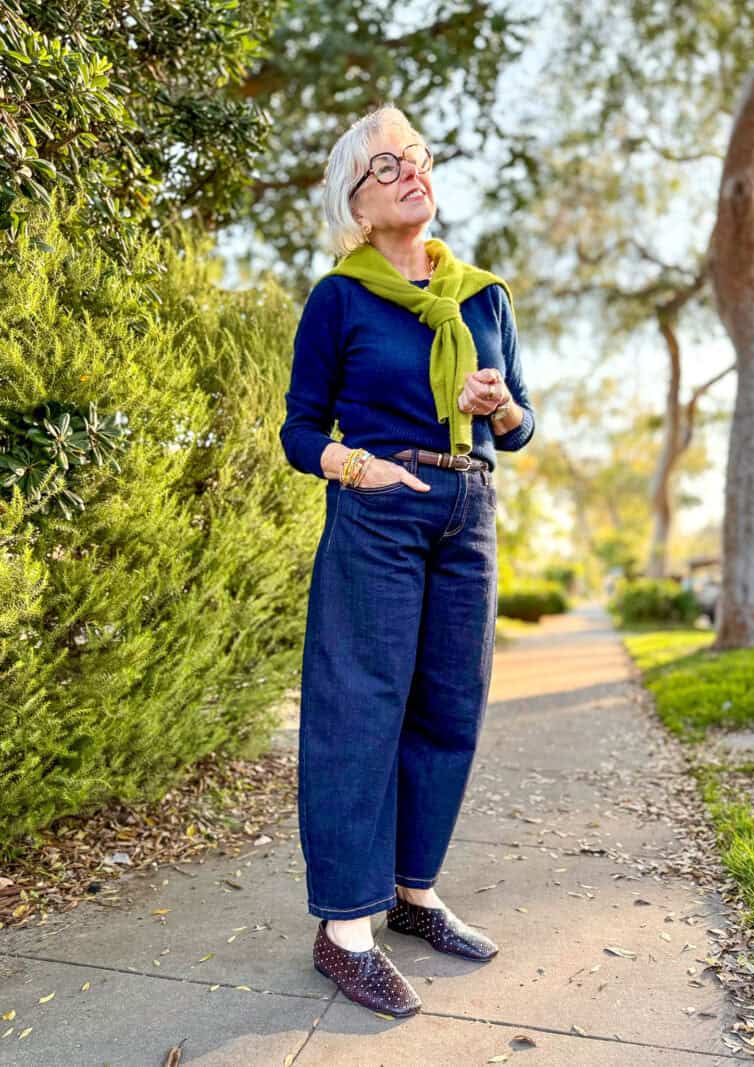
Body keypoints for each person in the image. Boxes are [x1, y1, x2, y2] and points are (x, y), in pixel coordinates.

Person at [279, 105, 535, 1018]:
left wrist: (499, 406)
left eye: (418, 157)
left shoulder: (483, 296)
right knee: (359, 710)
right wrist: (360, 467)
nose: (410, 171)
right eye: (386, 164)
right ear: (355, 199)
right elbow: (300, 431)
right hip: (380, 509)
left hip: (469, 505)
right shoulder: (338, 297)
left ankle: (413, 891)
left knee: (449, 706)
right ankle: (345, 928)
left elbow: (525, 424)